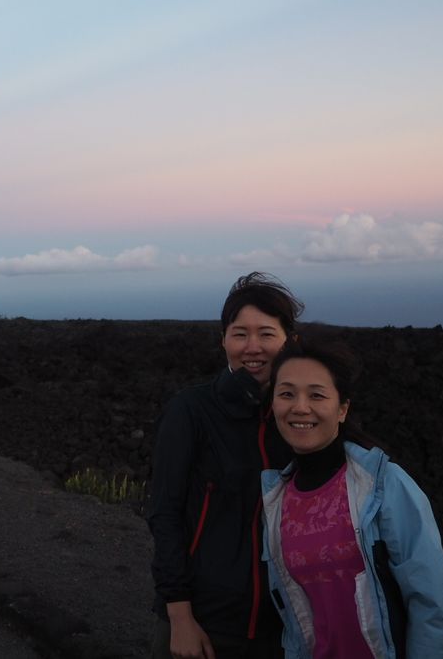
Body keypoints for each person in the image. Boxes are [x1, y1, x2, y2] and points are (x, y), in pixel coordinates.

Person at [261, 341, 443, 659]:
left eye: (317, 395)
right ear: (273, 405)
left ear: (342, 409)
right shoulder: (276, 501)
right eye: (286, 394)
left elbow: (434, 603)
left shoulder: (383, 485)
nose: (300, 407)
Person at [148, 272, 303, 658]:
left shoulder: (300, 419)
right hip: (205, 621)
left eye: (266, 334)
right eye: (240, 334)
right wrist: (179, 616)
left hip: (283, 628)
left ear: (289, 341)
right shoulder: (192, 411)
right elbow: (164, 513)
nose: (253, 347)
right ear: (223, 340)